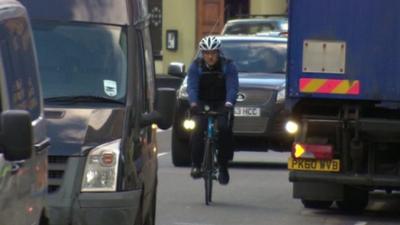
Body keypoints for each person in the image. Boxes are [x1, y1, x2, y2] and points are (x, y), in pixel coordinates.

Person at [187, 36, 239, 185]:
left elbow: (232, 86)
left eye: (213, 53)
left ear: (218, 53)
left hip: (222, 102)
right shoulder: (195, 66)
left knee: (224, 129)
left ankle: (223, 166)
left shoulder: (228, 66)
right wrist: (194, 104)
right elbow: (192, 87)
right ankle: (196, 165)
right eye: (207, 53)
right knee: (197, 129)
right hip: (202, 103)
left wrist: (229, 103)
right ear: (202, 54)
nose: (210, 56)